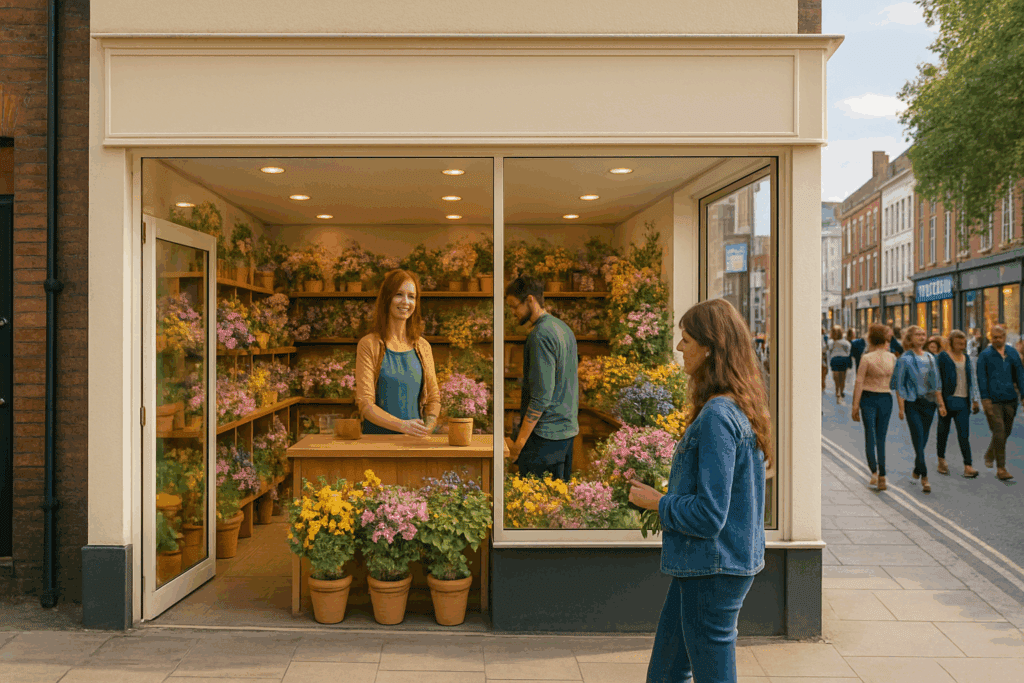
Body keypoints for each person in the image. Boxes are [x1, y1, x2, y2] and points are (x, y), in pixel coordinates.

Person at [629, 298, 769, 683]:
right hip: (709, 566)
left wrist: (658, 502)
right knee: (665, 674)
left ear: (709, 347)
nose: (679, 348)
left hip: (712, 568)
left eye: (686, 339)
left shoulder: (718, 417)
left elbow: (709, 515)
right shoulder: (736, 407)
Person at [505, 276, 579, 481]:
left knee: (532, 505)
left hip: (544, 438)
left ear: (530, 300)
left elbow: (541, 397)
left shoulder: (540, 335)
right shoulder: (564, 329)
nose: (512, 312)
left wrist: (518, 445)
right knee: (557, 504)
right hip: (566, 433)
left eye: (514, 306)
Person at [355, 269, 440, 437]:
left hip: (414, 443)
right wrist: (402, 426)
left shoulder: (423, 347)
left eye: (412, 296)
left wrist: (427, 427)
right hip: (377, 444)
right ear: (387, 299)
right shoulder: (368, 344)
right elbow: (365, 404)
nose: (406, 302)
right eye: (399, 294)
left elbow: (433, 399)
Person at [891, 325, 947, 494]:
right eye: (918, 335)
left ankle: (916, 469)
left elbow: (936, 383)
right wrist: (901, 408)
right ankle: (925, 477)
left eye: (924, 334)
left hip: (929, 403)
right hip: (912, 403)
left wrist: (941, 404)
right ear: (910, 338)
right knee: (917, 438)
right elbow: (898, 385)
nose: (922, 337)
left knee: (923, 440)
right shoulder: (904, 359)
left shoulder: (930, 357)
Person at [851, 324, 896, 491]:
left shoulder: (867, 358)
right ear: (885, 339)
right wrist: (901, 406)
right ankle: (883, 475)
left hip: (868, 398)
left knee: (870, 436)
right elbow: (895, 383)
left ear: (870, 338)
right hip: (886, 398)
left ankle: (874, 472)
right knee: (881, 438)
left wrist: (855, 405)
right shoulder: (892, 358)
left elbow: (859, 381)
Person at [976, 324, 1022, 481]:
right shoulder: (985, 355)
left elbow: (1020, 376)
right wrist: (984, 399)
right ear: (990, 337)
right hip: (993, 400)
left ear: (1005, 337)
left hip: (1010, 399)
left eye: (1000, 337)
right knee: (1000, 431)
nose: (997, 340)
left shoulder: (1012, 353)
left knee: (1005, 432)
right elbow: (981, 379)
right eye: (994, 337)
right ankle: (1001, 469)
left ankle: (990, 453)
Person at [936, 330, 981, 478]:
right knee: (943, 432)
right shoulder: (943, 357)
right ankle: (941, 460)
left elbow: (972, 379)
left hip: (963, 401)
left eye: (963, 343)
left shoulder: (966, 358)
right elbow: (937, 380)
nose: (961, 346)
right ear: (951, 343)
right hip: (947, 400)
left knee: (964, 435)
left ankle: (968, 466)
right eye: (958, 343)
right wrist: (940, 403)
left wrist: (975, 399)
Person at [827, 325, 852, 405]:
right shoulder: (845, 342)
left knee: (836, 376)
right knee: (843, 377)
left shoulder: (831, 342)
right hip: (844, 359)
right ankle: (841, 391)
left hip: (835, 359)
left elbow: (829, 351)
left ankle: (837, 390)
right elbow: (848, 351)